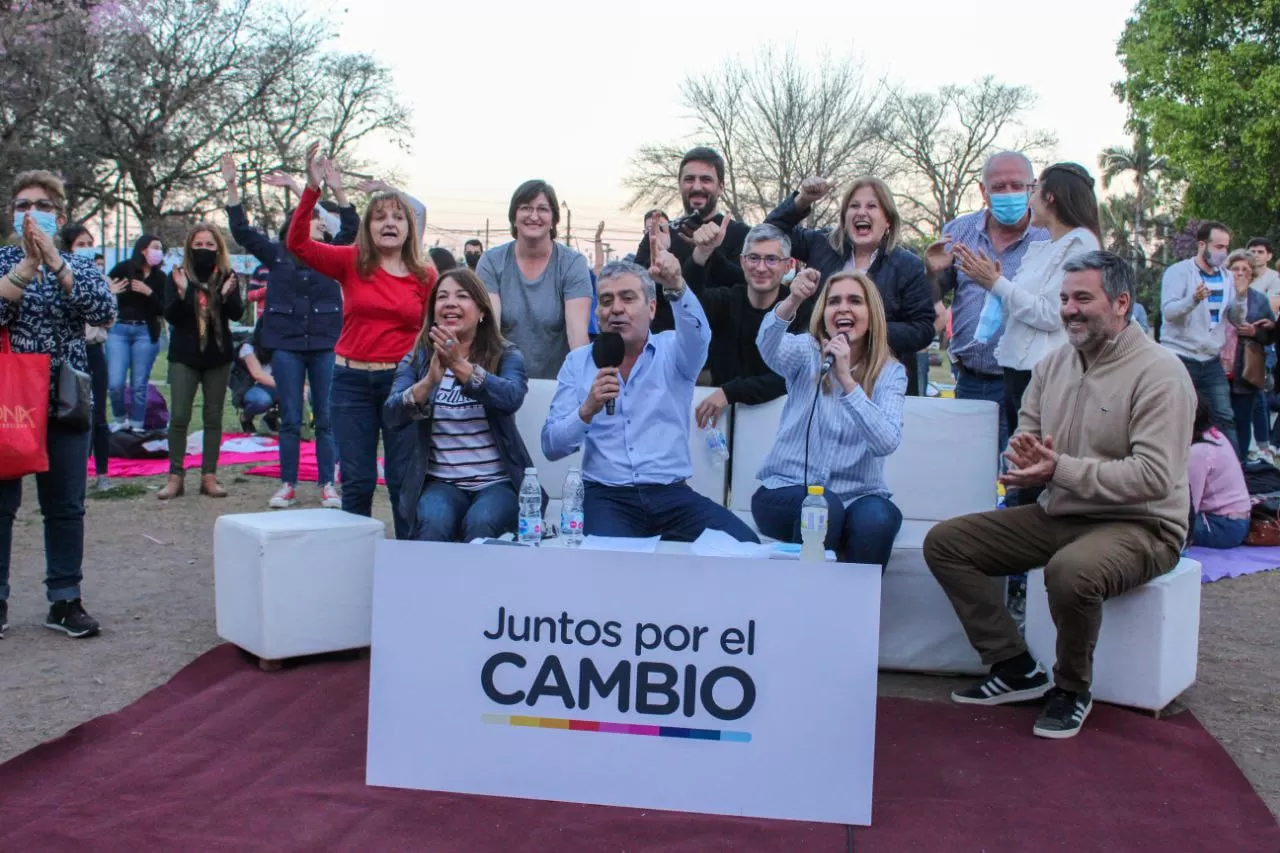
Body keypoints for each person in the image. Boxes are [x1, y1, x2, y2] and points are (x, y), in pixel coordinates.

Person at [924, 251, 1195, 739]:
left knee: (1069, 571)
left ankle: (1071, 689)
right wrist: (1024, 460)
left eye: (1083, 299)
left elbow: (1155, 476)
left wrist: (1060, 469)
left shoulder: (1162, 373)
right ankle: (1013, 666)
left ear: (1121, 303)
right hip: (1061, 512)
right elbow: (1028, 437)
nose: (1069, 309)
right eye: (1065, 299)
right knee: (946, 543)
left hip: (1142, 525)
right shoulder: (1051, 367)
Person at [542, 253, 759, 543]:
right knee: (611, 564)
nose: (616, 309)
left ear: (652, 308)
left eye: (628, 298)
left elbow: (700, 337)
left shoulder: (675, 352)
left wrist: (677, 285)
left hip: (671, 495)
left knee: (745, 546)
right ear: (598, 313)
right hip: (607, 496)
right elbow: (551, 446)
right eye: (606, 301)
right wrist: (586, 410)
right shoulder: (578, 363)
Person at [285, 145, 437, 538]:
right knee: (358, 483)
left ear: (410, 227)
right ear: (368, 226)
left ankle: (406, 565)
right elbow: (298, 245)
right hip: (351, 383)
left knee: (404, 483)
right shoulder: (350, 261)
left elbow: (437, 330)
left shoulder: (426, 274)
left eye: (398, 217)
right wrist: (311, 189)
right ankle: (353, 568)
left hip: (403, 386)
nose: (389, 223)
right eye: (380, 217)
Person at [0, 170, 116, 639]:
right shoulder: (4, 260)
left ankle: (64, 598)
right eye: (23, 204)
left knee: (66, 506)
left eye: (42, 206)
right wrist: (26, 268)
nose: (31, 213)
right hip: (10, 401)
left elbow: (103, 311)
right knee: (2, 506)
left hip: (65, 398)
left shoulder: (80, 264)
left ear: (60, 216)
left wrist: (55, 263)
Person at [952, 162, 1102, 506]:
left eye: (1031, 191)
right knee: (1012, 468)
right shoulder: (1049, 244)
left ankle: (1026, 537)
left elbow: (1053, 314)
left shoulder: (1079, 245)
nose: (1026, 199)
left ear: (1050, 197)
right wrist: (996, 281)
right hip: (1018, 372)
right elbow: (1019, 301)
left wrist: (995, 283)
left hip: (1043, 375)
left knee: (1031, 470)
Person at [751, 268, 907, 568]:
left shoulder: (891, 372)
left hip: (860, 495)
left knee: (877, 520)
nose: (843, 308)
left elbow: (886, 442)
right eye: (834, 301)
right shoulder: (806, 351)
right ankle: (805, 610)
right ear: (824, 313)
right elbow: (767, 346)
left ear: (871, 313)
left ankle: (857, 613)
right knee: (824, 509)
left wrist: (847, 381)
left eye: (854, 301)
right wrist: (793, 299)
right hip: (785, 490)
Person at [221, 153, 350, 509]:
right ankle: (287, 484)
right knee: (291, 417)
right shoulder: (277, 255)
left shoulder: (334, 252)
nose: (321, 226)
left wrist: (336, 190)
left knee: (325, 417)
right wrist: (233, 186)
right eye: (314, 221)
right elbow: (241, 231)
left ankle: (328, 484)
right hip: (287, 345)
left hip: (325, 343)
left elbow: (350, 227)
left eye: (321, 223)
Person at [385, 269, 541, 542]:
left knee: (480, 522)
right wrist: (429, 382)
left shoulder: (505, 355)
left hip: (497, 483)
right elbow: (392, 414)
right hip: (441, 483)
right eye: (442, 297)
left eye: (462, 296)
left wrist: (459, 365)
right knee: (433, 521)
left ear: (481, 311)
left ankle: (483, 586)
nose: (450, 303)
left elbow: (511, 397)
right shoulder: (418, 359)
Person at [765, 176, 935, 396]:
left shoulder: (907, 265)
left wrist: (865, 332)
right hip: (820, 377)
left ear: (888, 220)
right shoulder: (821, 245)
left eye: (872, 206)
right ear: (844, 217)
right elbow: (770, 233)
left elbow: (923, 329)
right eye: (854, 206)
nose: (861, 212)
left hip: (877, 382)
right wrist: (803, 200)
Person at [929, 152, 1050, 448]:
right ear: (983, 191)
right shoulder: (958, 232)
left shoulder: (1048, 237)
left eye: (1016, 186)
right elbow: (934, 296)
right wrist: (931, 273)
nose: (1008, 194)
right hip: (970, 378)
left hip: (1029, 383)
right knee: (969, 473)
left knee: (1020, 480)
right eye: (998, 187)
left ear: (1032, 189)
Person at [687, 222, 810, 429]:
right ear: (743, 262)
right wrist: (702, 252)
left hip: (779, 424)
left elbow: (793, 374)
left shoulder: (801, 309)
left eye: (771, 259)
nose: (761, 268)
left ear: (788, 265)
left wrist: (730, 392)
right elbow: (689, 303)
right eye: (754, 258)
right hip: (721, 425)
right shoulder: (726, 301)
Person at [158, 224, 243, 499]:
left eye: (209, 244)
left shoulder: (228, 276)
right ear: (189, 247)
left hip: (218, 355)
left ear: (218, 247)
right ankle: (175, 476)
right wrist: (184, 294)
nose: (204, 249)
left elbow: (236, 314)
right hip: (185, 354)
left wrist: (226, 295)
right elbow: (171, 315)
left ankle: (209, 475)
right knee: (180, 416)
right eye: (198, 245)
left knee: (213, 417)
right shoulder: (178, 275)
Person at [476, 179, 592, 380]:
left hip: (557, 384)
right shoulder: (491, 262)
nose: (534, 216)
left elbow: (577, 337)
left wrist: (582, 386)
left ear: (554, 218)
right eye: (526, 208)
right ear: (514, 216)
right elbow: (490, 332)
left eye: (543, 209)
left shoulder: (573, 264)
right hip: (503, 381)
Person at [632, 149, 750, 333]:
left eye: (706, 179)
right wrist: (659, 261)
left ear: (721, 186)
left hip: (723, 349)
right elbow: (635, 295)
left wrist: (709, 253)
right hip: (669, 349)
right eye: (689, 179)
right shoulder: (659, 235)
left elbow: (746, 289)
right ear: (679, 184)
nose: (696, 187)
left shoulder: (742, 235)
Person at [1160, 221, 1246, 454]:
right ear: (1201, 244)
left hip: (1210, 359)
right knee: (1177, 416)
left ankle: (1233, 475)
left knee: (1224, 417)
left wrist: (1240, 296)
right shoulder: (1178, 272)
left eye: (1226, 247)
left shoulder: (1227, 277)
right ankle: (1173, 470)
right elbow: (1168, 312)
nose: (1223, 252)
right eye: (1218, 246)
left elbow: (1237, 318)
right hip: (1179, 355)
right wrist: (1193, 300)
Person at [60, 223, 111, 491]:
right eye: (81, 244)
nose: (86, 249)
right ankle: (73, 473)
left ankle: (102, 473)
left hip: (94, 350)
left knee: (99, 413)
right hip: (68, 353)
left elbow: (109, 319)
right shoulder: (56, 278)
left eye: (90, 244)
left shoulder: (100, 280)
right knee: (73, 413)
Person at [105, 234, 166, 431]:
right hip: (119, 330)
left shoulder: (160, 278)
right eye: (155, 247)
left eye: (160, 248)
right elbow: (102, 286)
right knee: (115, 383)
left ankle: (137, 425)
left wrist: (149, 293)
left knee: (139, 384)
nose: (159, 252)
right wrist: (110, 290)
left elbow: (164, 308)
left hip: (145, 332)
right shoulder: (124, 268)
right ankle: (120, 419)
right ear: (143, 249)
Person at [1222, 250, 1276, 462]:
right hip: (1216, 369)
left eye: (1246, 269)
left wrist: (1256, 332)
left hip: (1245, 371)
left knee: (1242, 422)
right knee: (1217, 421)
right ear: (1227, 271)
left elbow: (1270, 334)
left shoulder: (1259, 300)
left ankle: (1239, 466)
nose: (1240, 273)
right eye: (1236, 269)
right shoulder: (1218, 295)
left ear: (1252, 274)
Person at [1188, 403, 1251, 549]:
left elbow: (1189, 508)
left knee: (1161, 523)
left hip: (1224, 526)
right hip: (1238, 521)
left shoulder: (1198, 452)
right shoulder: (1215, 434)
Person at [1247, 238, 1280, 313]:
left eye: (1260, 252)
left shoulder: (1276, 278)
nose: (1256, 255)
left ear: (1269, 256)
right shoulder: (1239, 275)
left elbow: (1272, 307)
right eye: (1252, 252)